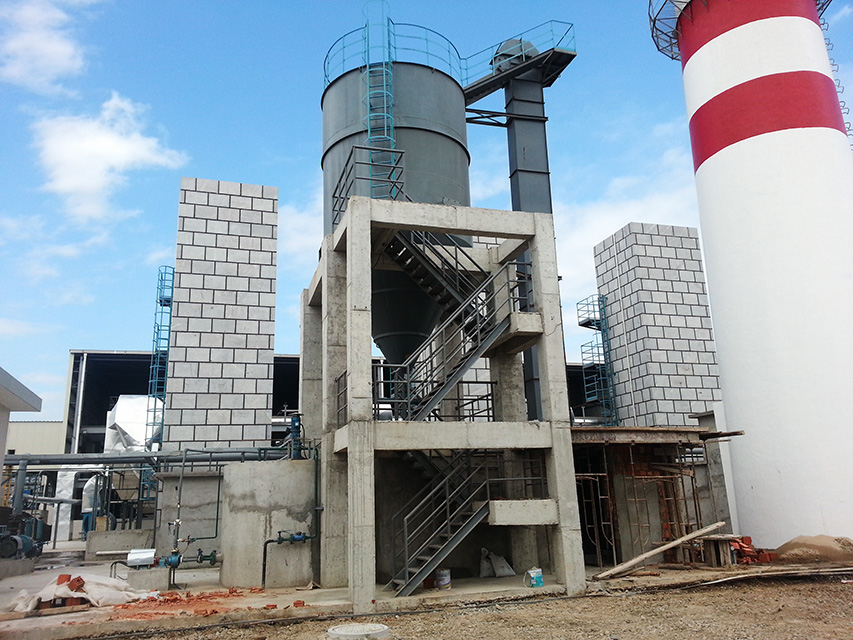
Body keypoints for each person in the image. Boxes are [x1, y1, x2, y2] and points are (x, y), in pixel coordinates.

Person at [80, 474, 100, 541]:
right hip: (90, 508)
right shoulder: (92, 483)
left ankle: (86, 536)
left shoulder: (92, 483)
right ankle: (87, 536)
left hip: (90, 508)